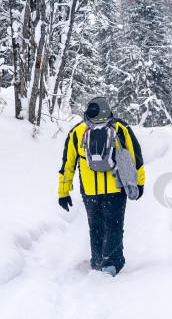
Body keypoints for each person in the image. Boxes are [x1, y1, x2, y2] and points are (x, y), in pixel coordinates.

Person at [57, 97, 145, 276]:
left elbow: (68, 165)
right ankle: (111, 263)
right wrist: (139, 183)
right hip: (115, 188)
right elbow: (136, 158)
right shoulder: (120, 128)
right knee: (114, 225)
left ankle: (97, 261)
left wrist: (64, 192)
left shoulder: (77, 131)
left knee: (95, 225)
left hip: (90, 191)